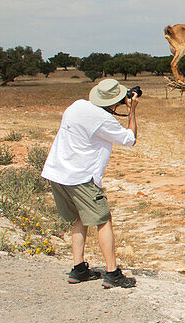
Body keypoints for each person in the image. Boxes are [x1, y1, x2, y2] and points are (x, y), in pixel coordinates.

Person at [41, 78, 139, 288]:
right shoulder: (103, 119)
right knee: (102, 219)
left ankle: (78, 269)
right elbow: (129, 139)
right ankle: (112, 274)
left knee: (80, 217)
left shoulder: (76, 106)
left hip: (57, 172)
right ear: (115, 101)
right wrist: (132, 111)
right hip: (81, 177)